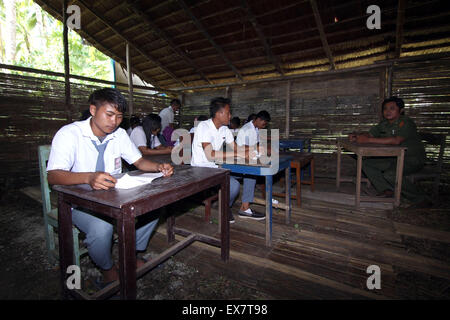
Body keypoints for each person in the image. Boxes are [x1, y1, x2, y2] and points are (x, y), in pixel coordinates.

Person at [46, 88, 174, 285]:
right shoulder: (70, 134)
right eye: (109, 114)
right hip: (78, 201)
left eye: (119, 116)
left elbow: (139, 162)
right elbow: (53, 176)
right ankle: (107, 268)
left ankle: (132, 256)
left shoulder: (120, 134)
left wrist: (158, 167)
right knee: (101, 227)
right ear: (92, 110)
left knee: (154, 206)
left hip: (114, 196)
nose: (114, 121)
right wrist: (89, 177)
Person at [190, 97, 265, 223]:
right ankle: (225, 208)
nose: (230, 116)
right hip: (200, 169)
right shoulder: (204, 126)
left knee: (250, 173)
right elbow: (210, 155)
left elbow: (236, 149)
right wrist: (240, 155)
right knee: (234, 185)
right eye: (228, 113)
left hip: (215, 167)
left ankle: (244, 209)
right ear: (219, 114)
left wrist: (253, 150)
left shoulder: (225, 129)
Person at [348, 97, 428, 206]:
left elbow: (396, 141)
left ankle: (420, 199)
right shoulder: (384, 124)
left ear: (401, 110)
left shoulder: (406, 122)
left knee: (391, 174)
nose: (388, 111)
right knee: (366, 163)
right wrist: (358, 137)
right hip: (393, 158)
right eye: (385, 109)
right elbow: (370, 134)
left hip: (411, 159)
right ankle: (387, 190)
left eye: (392, 108)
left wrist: (368, 140)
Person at [235, 110, 273, 216]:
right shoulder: (247, 129)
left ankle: (245, 206)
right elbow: (240, 148)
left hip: (248, 157)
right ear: (258, 120)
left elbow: (255, 145)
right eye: (264, 124)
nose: (264, 126)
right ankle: (245, 208)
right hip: (239, 159)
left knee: (256, 171)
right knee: (251, 174)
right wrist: (257, 148)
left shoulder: (255, 129)